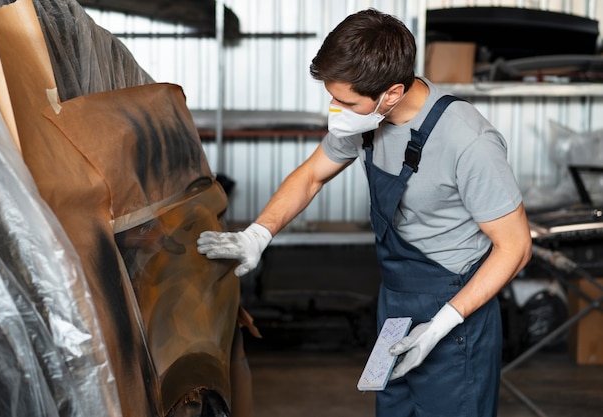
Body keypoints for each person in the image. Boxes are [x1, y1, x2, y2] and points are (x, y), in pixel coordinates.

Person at [198, 8, 532, 417]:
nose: (334, 110)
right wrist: (258, 235)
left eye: (344, 101)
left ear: (390, 94)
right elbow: (311, 177)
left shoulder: (468, 140)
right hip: (395, 301)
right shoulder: (367, 119)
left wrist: (442, 325)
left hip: (456, 310)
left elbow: (515, 247)